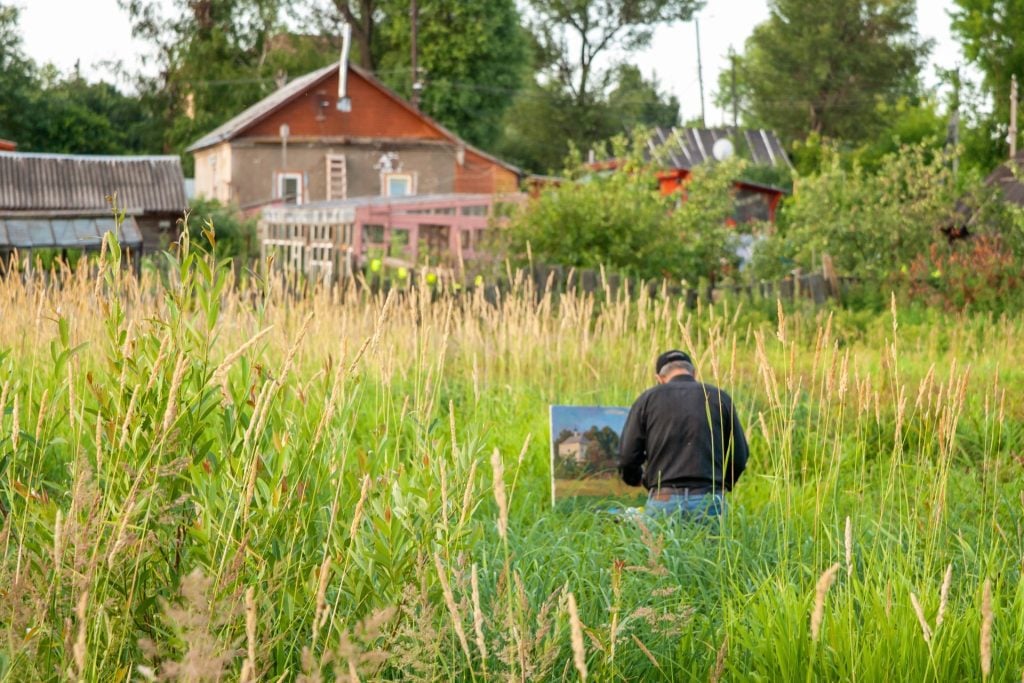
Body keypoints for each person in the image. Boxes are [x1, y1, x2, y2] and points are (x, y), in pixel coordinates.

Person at [618, 350, 749, 520]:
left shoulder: (647, 399)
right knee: (708, 547)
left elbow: (627, 457)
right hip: (708, 498)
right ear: (693, 373)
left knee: (660, 547)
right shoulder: (719, 397)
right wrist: (723, 485)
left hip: (662, 498)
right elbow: (740, 455)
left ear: (659, 378)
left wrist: (638, 481)